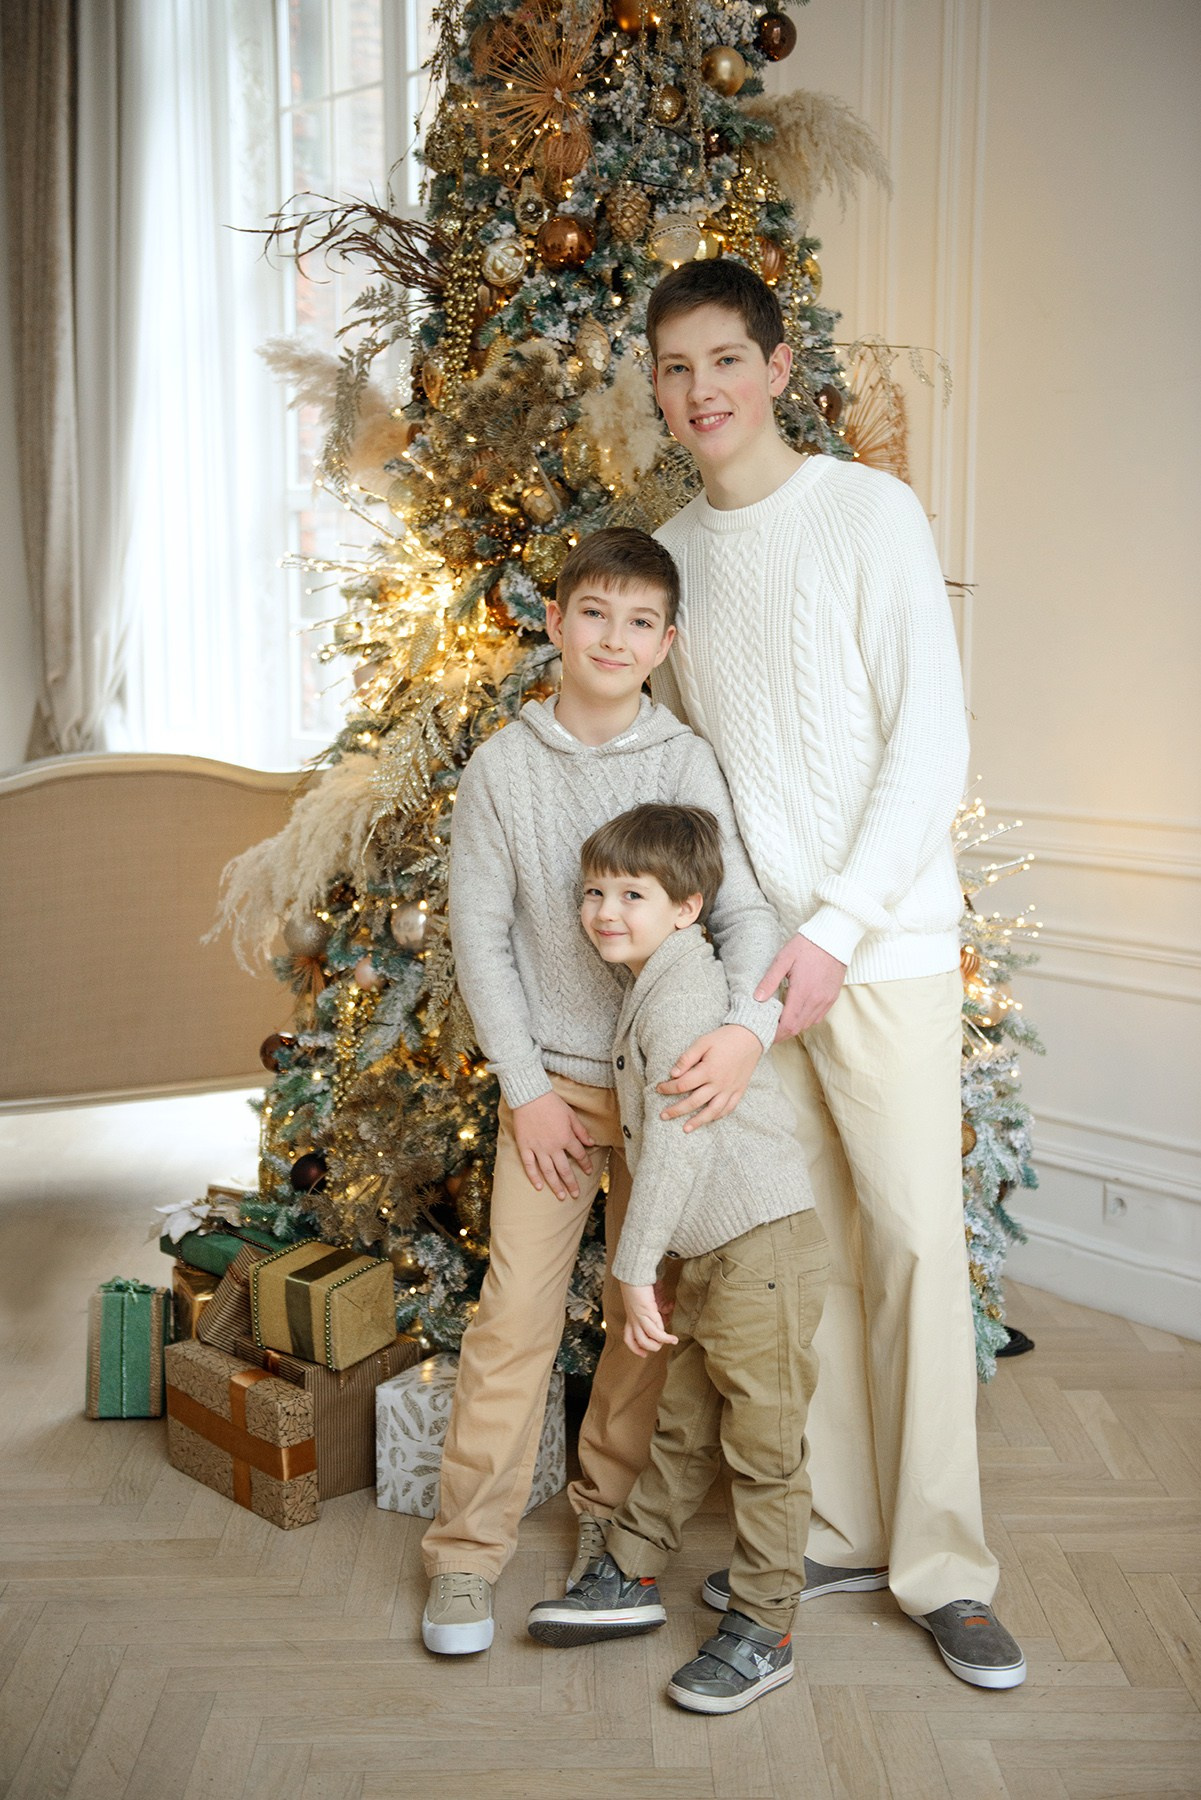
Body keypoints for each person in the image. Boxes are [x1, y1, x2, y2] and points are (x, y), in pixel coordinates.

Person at [641, 257, 1026, 1690]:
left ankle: (943, 1565)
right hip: (763, 972)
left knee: (916, 1240)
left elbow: (929, 743)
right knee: (798, 1259)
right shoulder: (675, 556)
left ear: (777, 362)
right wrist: (754, 957)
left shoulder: (870, 513)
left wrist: (838, 928)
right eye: (674, 369)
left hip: (884, 948)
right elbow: (712, 791)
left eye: (724, 360)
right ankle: (842, 1522)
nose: (701, 393)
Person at [421, 527, 785, 1654]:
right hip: (556, 1097)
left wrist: (746, 1031)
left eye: (639, 623)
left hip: (668, 1092)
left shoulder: (684, 760)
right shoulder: (502, 768)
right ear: (554, 622)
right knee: (515, 1318)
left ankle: (606, 1533)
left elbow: (745, 915)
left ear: (666, 642)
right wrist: (524, 1089)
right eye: (594, 615)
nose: (614, 639)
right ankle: (464, 1558)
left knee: (644, 1326)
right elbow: (480, 943)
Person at [526, 804, 829, 1716]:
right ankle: (631, 1570)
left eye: (632, 894)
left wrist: (632, 1265)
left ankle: (766, 1626)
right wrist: (661, 1260)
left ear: (688, 907)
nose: (604, 911)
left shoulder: (687, 995)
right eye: (593, 892)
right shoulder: (656, 984)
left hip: (760, 1247)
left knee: (762, 1448)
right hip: (713, 1251)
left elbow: (681, 1143)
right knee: (684, 1424)